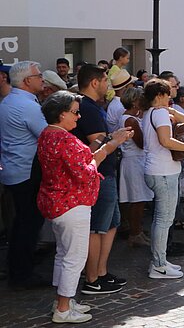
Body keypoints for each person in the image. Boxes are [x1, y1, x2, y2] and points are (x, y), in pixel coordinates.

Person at [38, 90, 131, 323]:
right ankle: (62, 307)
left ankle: (65, 301)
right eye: (75, 113)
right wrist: (108, 148)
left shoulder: (48, 134)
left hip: (57, 202)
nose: (78, 117)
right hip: (71, 203)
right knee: (74, 257)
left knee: (63, 254)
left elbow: (79, 163)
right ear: (61, 114)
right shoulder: (64, 139)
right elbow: (85, 171)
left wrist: (103, 147)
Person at [72, 65, 128, 295]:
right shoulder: (88, 108)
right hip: (99, 174)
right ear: (94, 82)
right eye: (105, 80)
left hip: (105, 173)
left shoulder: (93, 107)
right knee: (97, 227)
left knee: (111, 223)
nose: (108, 85)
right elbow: (97, 144)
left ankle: (101, 272)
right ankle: (92, 278)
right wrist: (117, 139)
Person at [141, 78, 184, 279]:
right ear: (159, 96)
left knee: (163, 218)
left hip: (159, 170)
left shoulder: (152, 113)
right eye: (167, 94)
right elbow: (166, 140)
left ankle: (161, 260)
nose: (169, 98)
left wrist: (171, 110)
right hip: (163, 171)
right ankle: (158, 264)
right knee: (164, 219)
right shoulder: (159, 114)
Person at [0, 61, 49, 289]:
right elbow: (47, 135)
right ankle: (21, 273)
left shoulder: (11, 100)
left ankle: (20, 266)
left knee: (22, 223)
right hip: (26, 171)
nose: (42, 79)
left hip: (16, 168)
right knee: (27, 223)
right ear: (27, 81)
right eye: (39, 76)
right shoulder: (25, 105)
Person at [116, 86, 152, 248]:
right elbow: (141, 142)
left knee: (138, 198)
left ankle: (137, 230)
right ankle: (135, 232)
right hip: (134, 161)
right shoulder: (130, 120)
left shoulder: (130, 118)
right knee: (137, 199)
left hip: (134, 160)